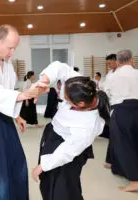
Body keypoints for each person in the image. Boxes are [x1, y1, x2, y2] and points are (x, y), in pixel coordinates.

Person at [0, 24, 42, 200]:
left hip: (4, 118)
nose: (12, 53)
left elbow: (7, 91)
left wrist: (16, 115)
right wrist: (25, 94)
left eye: (14, 48)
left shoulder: (7, 63)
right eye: (10, 48)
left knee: (15, 163)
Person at [32, 61, 110, 200]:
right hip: (55, 136)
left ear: (80, 104)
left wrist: (42, 166)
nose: (62, 99)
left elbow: (67, 152)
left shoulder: (88, 126)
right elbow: (60, 67)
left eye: (67, 100)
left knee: (62, 190)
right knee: (50, 184)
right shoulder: (81, 87)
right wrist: (43, 81)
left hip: (65, 148)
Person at [104, 49, 138, 192]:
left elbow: (106, 93)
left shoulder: (112, 76)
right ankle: (119, 168)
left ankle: (135, 180)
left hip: (121, 111)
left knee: (123, 145)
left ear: (117, 62)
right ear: (132, 60)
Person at [103, 53, 118, 169]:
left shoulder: (123, 73)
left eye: (110, 63)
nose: (108, 66)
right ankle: (111, 160)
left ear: (116, 61)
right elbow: (106, 89)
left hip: (124, 105)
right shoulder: (109, 74)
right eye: (107, 64)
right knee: (114, 133)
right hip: (112, 105)